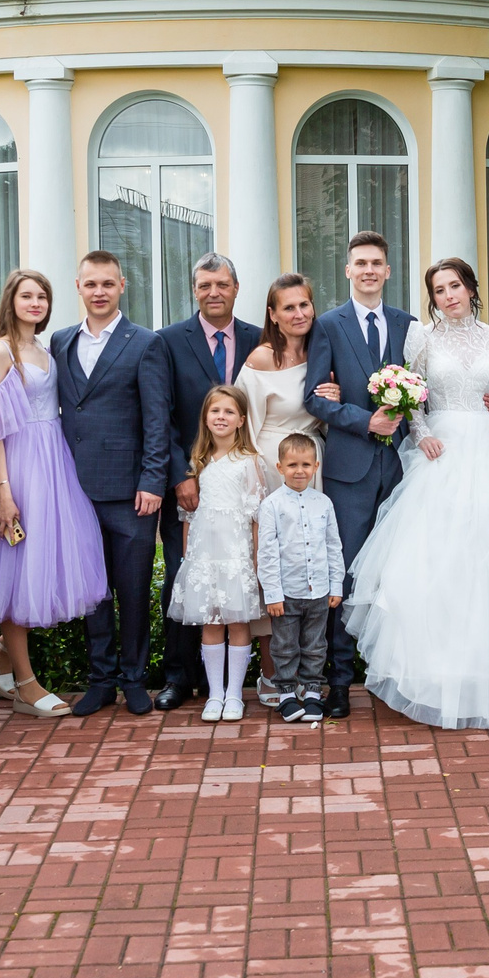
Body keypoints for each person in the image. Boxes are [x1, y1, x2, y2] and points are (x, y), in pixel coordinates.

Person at [341, 257, 489, 729]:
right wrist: (420, 435)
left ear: (471, 287)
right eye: (439, 290)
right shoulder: (422, 335)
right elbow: (409, 395)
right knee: (437, 564)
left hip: (483, 449)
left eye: (455, 286)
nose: (449, 296)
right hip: (438, 451)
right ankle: (436, 675)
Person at [0, 268, 108, 716]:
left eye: (42, 297)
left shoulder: (46, 349)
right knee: (17, 571)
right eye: (26, 296)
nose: (35, 303)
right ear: (10, 300)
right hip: (17, 466)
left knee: (42, 568)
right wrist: (4, 493)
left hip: (54, 463)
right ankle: (26, 686)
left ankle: (2, 654)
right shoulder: (0, 351)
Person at [301, 231, 418, 720]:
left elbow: (425, 391)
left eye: (377, 263)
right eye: (360, 263)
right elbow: (313, 398)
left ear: (388, 271)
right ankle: (341, 681)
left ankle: (397, 675)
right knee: (345, 574)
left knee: (401, 573)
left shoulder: (408, 325)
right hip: (350, 470)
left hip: (403, 469)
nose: (369, 270)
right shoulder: (328, 325)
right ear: (347, 271)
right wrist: (361, 418)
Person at [54, 251, 175, 717]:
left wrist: (153, 481)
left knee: (133, 587)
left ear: (122, 285)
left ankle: (134, 678)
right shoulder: (61, 341)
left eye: (108, 283)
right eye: (91, 284)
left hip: (130, 492)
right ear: (79, 287)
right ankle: (100, 679)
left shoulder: (145, 343)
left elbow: (156, 419)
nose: (99, 291)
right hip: (76, 488)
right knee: (93, 591)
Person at [159, 255, 263, 710]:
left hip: (244, 476)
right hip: (191, 478)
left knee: (235, 596)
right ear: (194, 290)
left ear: (237, 288)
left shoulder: (260, 340)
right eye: (204, 285)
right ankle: (181, 679)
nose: (213, 292)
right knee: (191, 586)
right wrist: (183, 473)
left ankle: (233, 689)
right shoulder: (167, 341)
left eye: (221, 284)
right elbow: (161, 414)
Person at [167, 384, 272, 723]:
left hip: (236, 555)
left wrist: (255, 558)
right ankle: (214, 693)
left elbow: (257, 515)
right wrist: (187, 559)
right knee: (211, 623)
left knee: (238, 622)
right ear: (205, 418)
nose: (222, 417)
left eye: (229, 412)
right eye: (215, 411)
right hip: (203, 558)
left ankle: (235, 694)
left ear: (241, 419)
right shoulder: (196, 462)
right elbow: (188, 516)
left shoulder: (250, 462)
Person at [257, 433, 344, 725]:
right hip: (287, 592)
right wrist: (273, 593)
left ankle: (312, 691)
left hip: (319, 591)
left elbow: (333, 546)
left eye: (306, 464)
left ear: (316, 466)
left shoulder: (324, 503)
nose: (299, 470)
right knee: (284, 645)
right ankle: (285, 694)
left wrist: (336, 585)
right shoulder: (271, 505)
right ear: (280, 467)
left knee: (315, 644)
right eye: (292, 464)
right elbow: (266, 553)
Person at [240, 273, 330, 483]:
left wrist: (335, 398)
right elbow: (245, 429)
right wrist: (253, 479)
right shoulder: (261, 359)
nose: (299, 314)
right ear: (273, 315)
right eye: (289, 308)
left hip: (314, 460)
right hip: (273, 463)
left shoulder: (323, 355)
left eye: (304, 305)